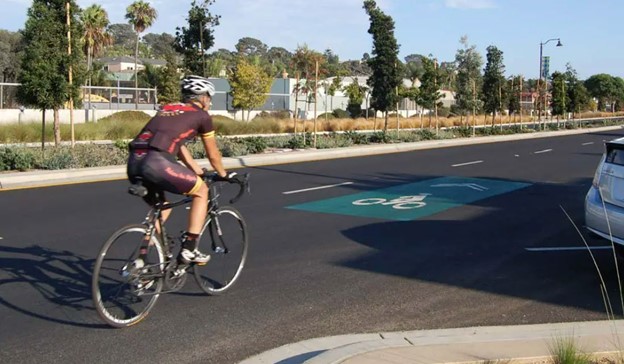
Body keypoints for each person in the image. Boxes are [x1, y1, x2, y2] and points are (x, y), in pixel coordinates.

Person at [127, 75, 242, 271]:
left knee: (162, 208)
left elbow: (178, 145)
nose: (210, 102)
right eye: (210, 97)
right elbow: (213, 155)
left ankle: (141, 261)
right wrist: (222, 173)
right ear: (203, 97)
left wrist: (196, 170)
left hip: (134, 162)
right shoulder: (202, 116)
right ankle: (190, 248)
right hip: (156, 162)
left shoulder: (167, 109)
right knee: (201, 191)